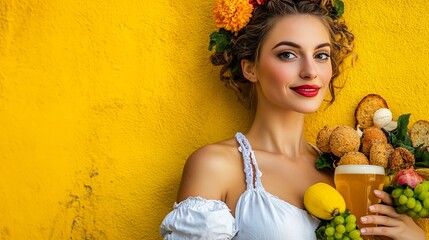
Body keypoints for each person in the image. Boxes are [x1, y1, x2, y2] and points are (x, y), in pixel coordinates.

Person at [160, 0, 425, 239]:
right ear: (250, 67)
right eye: (287, 54)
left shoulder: (343, 171)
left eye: (321, 55)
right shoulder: (216, 166)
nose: (310, 71)